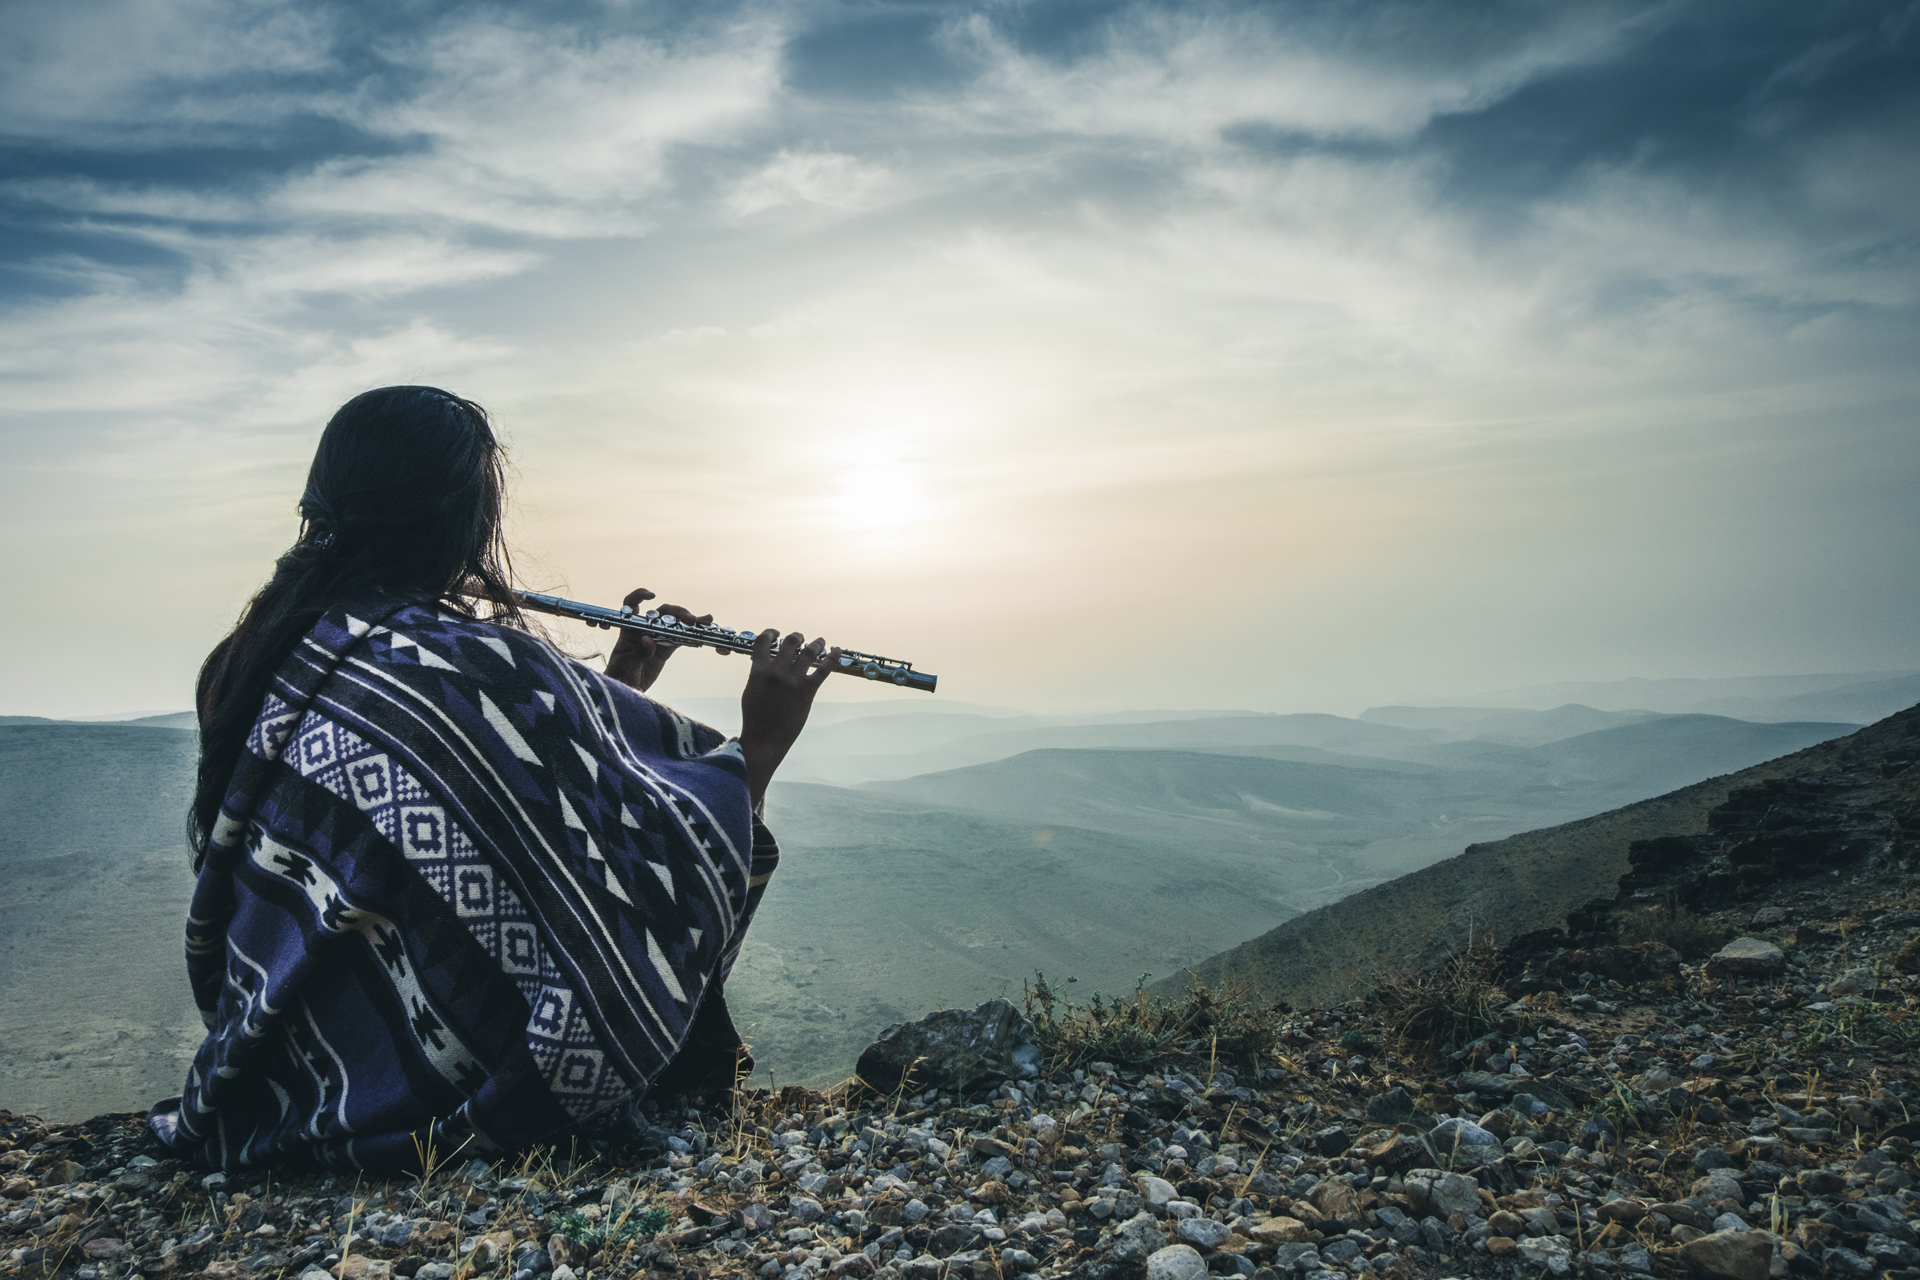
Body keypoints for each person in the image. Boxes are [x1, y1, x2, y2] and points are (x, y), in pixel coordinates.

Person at [149, 386, 836, 1171]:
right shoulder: (471, 670)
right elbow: (652, 870)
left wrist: (615, 693)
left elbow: (450, 815)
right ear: (462, 515)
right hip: (420, 1086)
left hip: (283, 1057)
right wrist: (761, 742)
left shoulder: (261, 649)